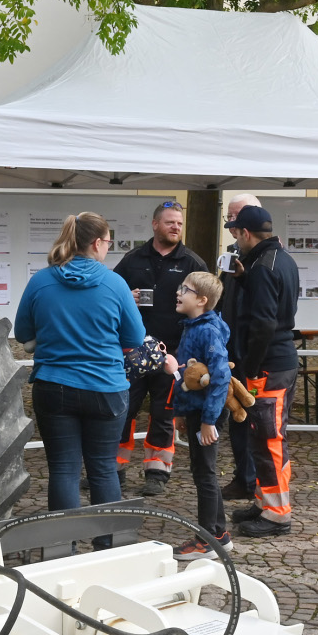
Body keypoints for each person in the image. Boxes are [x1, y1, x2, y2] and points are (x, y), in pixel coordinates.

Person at [14, 213, 146, 530]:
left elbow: (22, 333)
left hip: (53, 386)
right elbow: (135, 339)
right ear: (97, 243)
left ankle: (63, 548)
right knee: (102, 469)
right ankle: (108, 547)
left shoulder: (40, 281)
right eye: (108, 242)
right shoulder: (116, 284)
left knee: (63, 469)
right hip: (106, 388)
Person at [112, 201, 206, 496]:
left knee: (163, 414)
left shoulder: (192, 263)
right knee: (122, 410)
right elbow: (111, 295)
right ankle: (113, 469)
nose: (176, 227)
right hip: (134, 351)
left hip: (173, 353)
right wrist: (126, 295)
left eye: (179, 223)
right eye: (169, 222)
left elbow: (207, 305)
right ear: (155, 225)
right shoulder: (132, 259)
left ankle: (157, 471)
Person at [223, 204, 301, 537]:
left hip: (269, 367)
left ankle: (277, 514)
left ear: (245, 233)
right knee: (262, 437)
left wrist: (250, 368)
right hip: (278, 362)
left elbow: (264, 324)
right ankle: (264, 501)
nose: (234, 240)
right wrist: (243, 279)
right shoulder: (280, 259)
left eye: (235, 233)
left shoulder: (263, 269)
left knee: (269, 441)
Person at [162, 271, 232, 555]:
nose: (179, 292)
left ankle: (208, 540)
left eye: (186, 289)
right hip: (197, 411)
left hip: (207, 415)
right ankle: (220, 533)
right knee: (203, 471)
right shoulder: (194, 326)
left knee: (205, 474)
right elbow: (193, 376)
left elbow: (219, 377)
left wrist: (207, 421)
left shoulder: (207, 330)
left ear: (202, 300)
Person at [216, 192, 263, 500]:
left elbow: (267, 315)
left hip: (255, 357)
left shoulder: (266, 258)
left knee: (257, 417)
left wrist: (255, 359)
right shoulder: (232, 254)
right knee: (237, 417)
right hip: (232, 352)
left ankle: (257, 480)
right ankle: (243, 477)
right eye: (229, 219)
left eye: (236, 218)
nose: (231, 224)